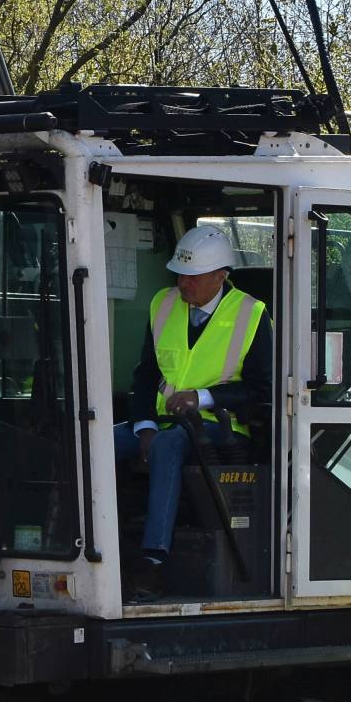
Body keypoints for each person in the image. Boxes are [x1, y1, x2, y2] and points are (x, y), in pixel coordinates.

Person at [113, 224, 270, 594]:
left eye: (193, 278)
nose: (184, 285)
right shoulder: (162, 304)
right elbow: (146, 373)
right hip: (163, 422)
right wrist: (144, 426)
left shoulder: (252, 314)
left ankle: (153, 560)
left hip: (222, 427)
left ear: (220, 276)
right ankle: (97, 546)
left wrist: (202, 398)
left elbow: (263, 388)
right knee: (94, 444)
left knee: (170, 446)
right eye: (180, 276)